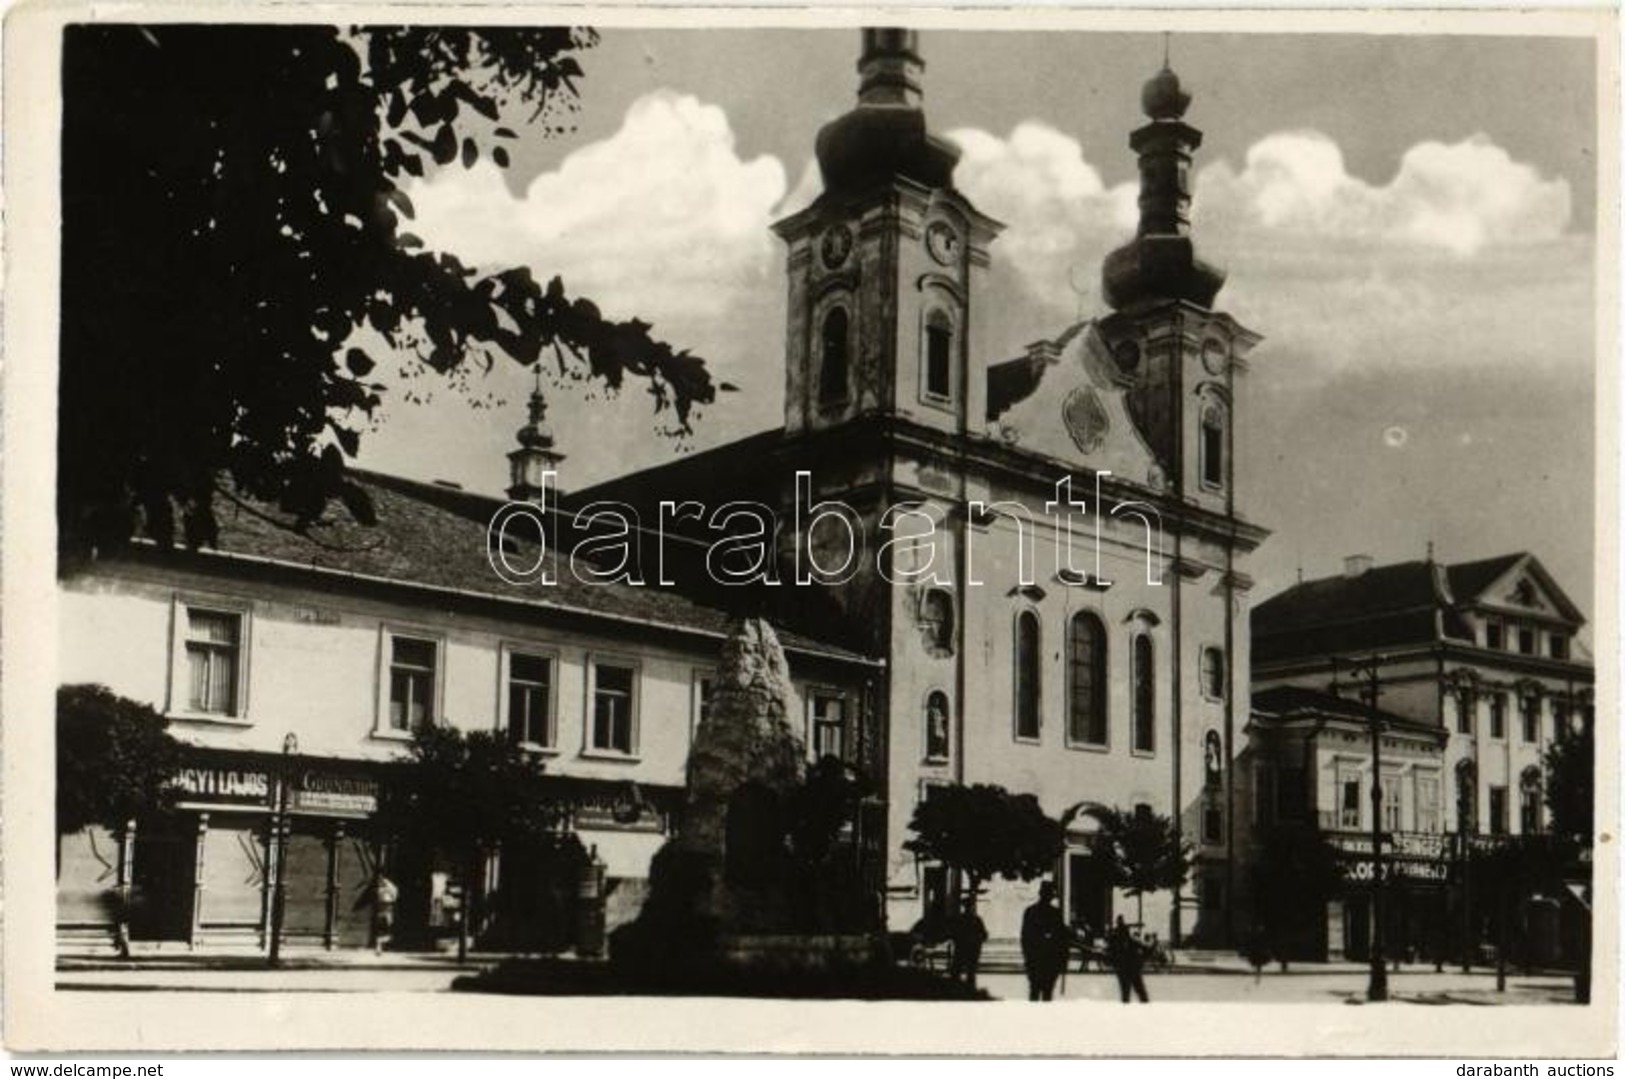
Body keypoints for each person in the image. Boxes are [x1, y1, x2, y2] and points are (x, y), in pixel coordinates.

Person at [1020, 880, 1070, 1001]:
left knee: (1036, 992)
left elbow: (1025, 937)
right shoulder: (1054, 914)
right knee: (1045, 993)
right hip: (1045, 960)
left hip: (1039, 960)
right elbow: (1062, 939)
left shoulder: (1031, 911)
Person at [946, 895, 988, 987]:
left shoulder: (960, 919)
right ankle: (970, 990)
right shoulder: (976, 920)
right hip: (972, 949)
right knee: (970, 972)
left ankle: (956, 990)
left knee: (957, 971)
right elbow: (984, 935)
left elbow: (953, 934)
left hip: (961, 949)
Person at [1107, 915, 1149, 1003]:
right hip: (1131, 969)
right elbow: (1145, 948)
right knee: (1139, 993)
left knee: (1128, 994)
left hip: (1126, 969)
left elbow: (1110, 953)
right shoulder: (1127, 939)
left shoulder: (1116, 938)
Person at [372, 871, 398, 955]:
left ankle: (380, 945)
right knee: (383, 928)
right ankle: (379, 946)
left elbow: (394, 896)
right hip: (384, 908)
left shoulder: (388, 887)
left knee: (386, 928)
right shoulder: (383, 887)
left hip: (386, 907)